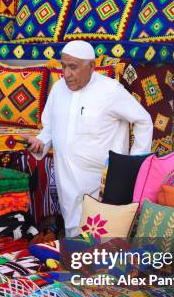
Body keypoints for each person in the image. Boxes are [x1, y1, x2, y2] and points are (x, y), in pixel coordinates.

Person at [24, 41, 153, 237]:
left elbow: (144, 120)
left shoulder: (110, 90)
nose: (66, 73)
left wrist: (133, 163)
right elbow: (49, 128)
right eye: (64, 66)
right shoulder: (58, 89)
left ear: (91, 66)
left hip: (101, 182)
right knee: (74, 233)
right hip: (67, 178)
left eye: (73, 67)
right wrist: (39, 143)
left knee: (103, 238)